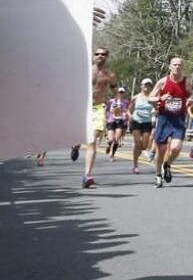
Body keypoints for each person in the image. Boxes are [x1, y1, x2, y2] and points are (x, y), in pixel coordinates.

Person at [39, 46, 116, 188]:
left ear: (107, 57)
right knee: (78, 137)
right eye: (97, 54)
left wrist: (115, 103)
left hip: (98, 108)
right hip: (82, 107)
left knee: (92, 140)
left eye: (103, 54)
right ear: (93, 55)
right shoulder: (85, 70)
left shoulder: (110, 75)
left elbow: (115, 90)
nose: (100, 56)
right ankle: (75, 146)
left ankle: (87, 175)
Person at [150, 56, 191, 188]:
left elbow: (191, 96)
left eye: (179, 65)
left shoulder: (186, 82)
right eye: (174, 64)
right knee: (161, 150)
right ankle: (158, 175)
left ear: (182, 67)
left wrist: (191, 101)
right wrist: (160, 98)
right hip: (164, 118)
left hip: (178, 119)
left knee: (175, 147)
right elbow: (150, 98)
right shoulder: (163, 81)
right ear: (170, 66)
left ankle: (167, 164)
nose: (177, 67)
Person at [129, 79, 157, 174]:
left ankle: (139, 152)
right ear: (141, 86)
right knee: (137, 143)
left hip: (147, 122)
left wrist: (154, 113)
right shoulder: (135, 97)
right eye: (145, 85)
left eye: (149, 85)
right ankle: (135, 165)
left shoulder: (152, 98)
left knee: (144, 145)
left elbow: (157, 108)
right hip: (136, 121)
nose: (146, 87)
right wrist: (130, 115)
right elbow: (129, 110)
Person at [106, 88, 130, 162]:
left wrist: (127, 116)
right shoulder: (111, 101)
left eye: (122, 92)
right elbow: (106, 109)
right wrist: (106, 117)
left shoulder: (126, 102)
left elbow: (127, 110)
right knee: (111, 139)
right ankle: (109, 145)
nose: (120, 93)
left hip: (120, 121)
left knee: (116, 140)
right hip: (111, 120)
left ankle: (112, 155)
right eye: (119, 92)